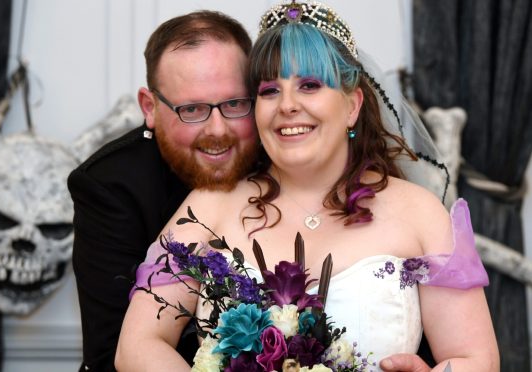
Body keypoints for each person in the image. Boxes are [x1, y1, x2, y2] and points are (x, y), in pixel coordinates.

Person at [115, 2, 499, 371]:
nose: (287, 105)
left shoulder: (419, 214)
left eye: (310, 85)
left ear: (352, 105)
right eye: (269, 90)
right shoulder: (209, 207)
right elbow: (139, 344)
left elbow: (475, 360)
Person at [67, 11, 259, 371]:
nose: (218, 130)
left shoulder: (282, 158)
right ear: (150, 108)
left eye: (234, 104)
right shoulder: (108, 186)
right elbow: (111, 355)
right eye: (193, 109)